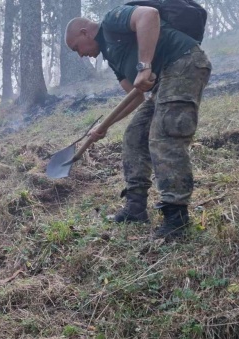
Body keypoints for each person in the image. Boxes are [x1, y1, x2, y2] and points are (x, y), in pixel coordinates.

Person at [65, 5, 212, 239]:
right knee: (134, 136)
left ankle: (176, 218)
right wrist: (103, 127)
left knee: (165, 136)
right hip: (162, 81)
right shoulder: (113, 57)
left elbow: (148, 15)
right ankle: (135, 208)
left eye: (76, 48)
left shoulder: (112, 21)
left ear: (85, 32)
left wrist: (144, 66)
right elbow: (135, 95)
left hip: (183, 62)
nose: (80, 54)